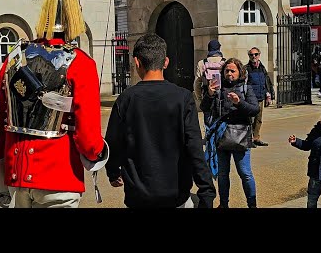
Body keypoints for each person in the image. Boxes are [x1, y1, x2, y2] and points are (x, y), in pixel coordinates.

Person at [0, 0, 107, 208]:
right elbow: (87, 136)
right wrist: (97, 152)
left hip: (17, 173)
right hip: (59, 176)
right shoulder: (81, 62)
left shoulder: (15, 56)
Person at [105, 33, 216, 208]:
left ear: (137, 62)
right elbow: (194, 147)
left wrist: (113, 171)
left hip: (138, 194)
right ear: (166, 62)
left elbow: (113, 142)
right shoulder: (183, 98)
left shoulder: (126, 99)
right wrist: (206, 191)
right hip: (175, 193)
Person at [200, 57, 260, 208]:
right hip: (221, 137)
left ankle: (252, 204)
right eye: (226, 71)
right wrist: (209, 94)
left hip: (240, 136)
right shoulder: (217, 87)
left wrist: (239, 103)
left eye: (233, 71)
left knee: (245, 173)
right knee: (222, 174)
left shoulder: (246, 88)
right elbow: (205, 107)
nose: (229, 74)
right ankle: (223, 204)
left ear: (240, 72)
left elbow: (254, 110)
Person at [245, 47, 275, 147]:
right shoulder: (246, 69)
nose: (254, 56)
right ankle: (248, 140)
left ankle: (256, 138)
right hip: (251, 99)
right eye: (251, 55)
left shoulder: (262, 68)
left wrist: (269, 95)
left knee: (259, 119)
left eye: (256, 54)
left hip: (260, 97)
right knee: (250, 120)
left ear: (259, 55)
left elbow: (266, 83)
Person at [193, 39, 226, 123]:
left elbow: (197, 83)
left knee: (208, 123)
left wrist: (200, 99)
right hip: (222, 97)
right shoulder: (225, 62)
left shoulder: (202, 63)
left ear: (209, 49)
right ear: (219, 48)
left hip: (207, 96)